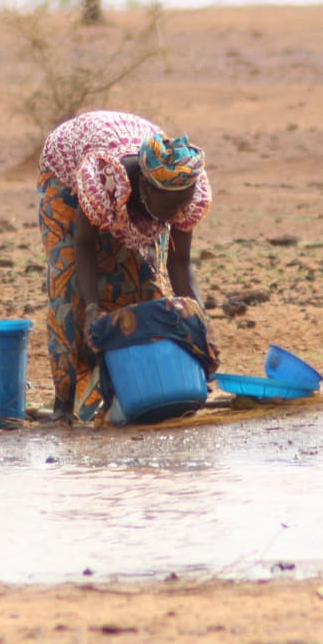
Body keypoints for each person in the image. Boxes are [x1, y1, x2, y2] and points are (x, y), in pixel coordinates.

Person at [38, 110, 211, 423]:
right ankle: (63, 405)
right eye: (169, 206)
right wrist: (92, 308)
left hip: (134, 178)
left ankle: (132, 391)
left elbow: (180, 264)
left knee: (143, 285)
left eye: (181, 204)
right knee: (70, 292)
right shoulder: (104, 178)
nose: (175, 214)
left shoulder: (183, 185)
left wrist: (199, 323)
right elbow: (84, 244)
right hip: (67, 164)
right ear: (145, 188)